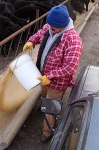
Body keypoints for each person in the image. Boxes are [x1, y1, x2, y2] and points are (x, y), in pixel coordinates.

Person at [23, 5, 83, 143]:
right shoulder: (50, 27)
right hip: (43, 74)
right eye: (50, 25)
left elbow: (69, 67)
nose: (50, 28)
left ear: (63, 25)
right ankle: (45, 102)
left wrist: (50, 76)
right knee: (44, 93)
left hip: (57, 82)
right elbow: (40, 33)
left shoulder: (73, 41)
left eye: (54, 27)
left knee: (51, 104)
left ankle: (48, 131)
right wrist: (31, 41)